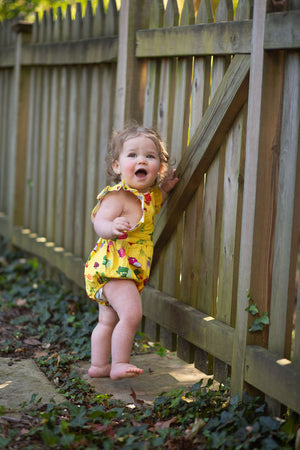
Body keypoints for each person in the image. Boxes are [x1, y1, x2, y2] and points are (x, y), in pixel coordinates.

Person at [84, 123, 178, 380]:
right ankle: (119, 364)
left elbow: (157, 201)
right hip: (114, 269)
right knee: (132, 314)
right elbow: (98, 222)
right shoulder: (118, 196)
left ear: (159, 167)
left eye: (150, 156)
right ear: (117, 166)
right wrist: (111, 227)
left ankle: (100, 366)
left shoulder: (148, 196)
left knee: (107, 321)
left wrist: (166, 190)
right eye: (133, 155)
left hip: (121, 270)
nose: (142, 160)